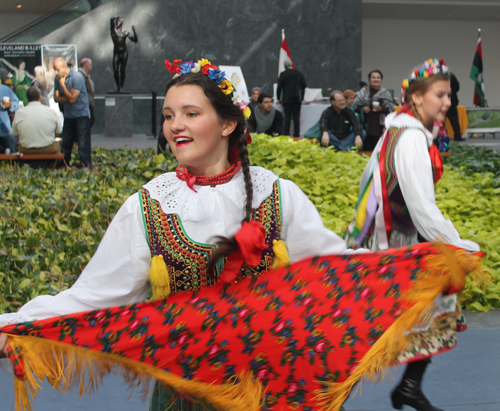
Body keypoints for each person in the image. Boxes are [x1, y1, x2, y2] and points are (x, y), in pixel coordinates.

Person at [0, 58, 482, 411]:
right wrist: (15, 323)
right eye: (168, 115)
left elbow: (336, 267)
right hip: (183, 396)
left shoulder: (277, 194)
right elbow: (93, 295)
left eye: (190, 114)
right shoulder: (149, 204)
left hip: (270, 392)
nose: (174, 127)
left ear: (229, 122)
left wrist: (428, 261)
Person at [345, 58, 480, 411]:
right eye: (440, 94)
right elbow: (422, 206)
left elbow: (368, 181)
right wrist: (457, 244)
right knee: (370, 325)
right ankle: (336, 395)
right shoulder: (410, 139)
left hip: (387, 241)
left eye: (449, 95)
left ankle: (408, 386)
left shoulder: (399, 131)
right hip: (394, 245)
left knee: (434, 305)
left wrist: (358, 235)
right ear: (417, 98)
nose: (447, 102)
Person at [53, 57, 92, 168]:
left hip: (81, 115)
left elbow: (72, 99)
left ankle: (85, 165)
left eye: (57, 69)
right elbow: (56, 98)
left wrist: (63, 85)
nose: (56, 72)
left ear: (65, 68)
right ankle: (63, 164)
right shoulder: (57, 78)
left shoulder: (77, 77)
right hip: (69, 115)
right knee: (66, 143)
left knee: (83, 144)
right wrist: (67, 96)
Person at [11, 86, 62, 168]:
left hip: (26, 148)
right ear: (40, 97)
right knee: (57, 146)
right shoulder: (50, 112)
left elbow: (15, 133)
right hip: (47, 148)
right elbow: (58, 132)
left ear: (28, 98)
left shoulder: (19, 113)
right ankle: (51, 167)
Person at [353, 69, 395, 151]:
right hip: (366, 126)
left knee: (379, 151)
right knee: (366, 151)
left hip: (381, 127)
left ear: (381, 80)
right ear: (369, 79)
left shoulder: (385, 93)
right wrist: (363, 109)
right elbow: (355, 106)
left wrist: (381, 109)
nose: (376, 79)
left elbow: (391, 109)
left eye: (378, 78)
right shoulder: (363, 92)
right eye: (373, 77)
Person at [277, 59, 307, 137]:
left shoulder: (283, 74)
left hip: (286, 99)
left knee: (287, 117)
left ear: (285, 66)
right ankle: (296, 134)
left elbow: (279, 87)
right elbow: (304, 85)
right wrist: (302, 97)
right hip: (297, 99)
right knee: (296, 117)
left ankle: (286, 134)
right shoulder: (299, 74)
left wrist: (278, 98)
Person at [110, 16, 138, 92]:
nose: (118, 23)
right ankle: (118, 86)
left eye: (119, 22)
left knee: (122, 69)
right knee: (115, 70)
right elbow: (111, 21)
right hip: (116, 52)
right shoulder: (114, 31)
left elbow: (135, 40)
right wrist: (115, 18)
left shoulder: (125, 32)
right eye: (117, 22)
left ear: (122, 23)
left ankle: (121, 87)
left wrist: (134, 31)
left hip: (124, 52)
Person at [0, 83, 19, 153]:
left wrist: (11, 105)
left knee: (13, 153)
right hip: (5, 129)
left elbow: (16, 103)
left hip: (5, 130)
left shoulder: (5, 89)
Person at [446, 72, 463, 141]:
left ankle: (441, 135)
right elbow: (457, 87)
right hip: (452, 100)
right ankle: (457, 135)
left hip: (439, 102)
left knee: (440, 121)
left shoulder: (436, 76)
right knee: (454, 119)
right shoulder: (450, 75)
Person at [79, 58, 96, 128]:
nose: (91, 66)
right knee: (90, 119)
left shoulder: (85, 74)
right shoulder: (82, 75)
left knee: (91, 119)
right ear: (87, 65)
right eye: (90, 65)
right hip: (86, 100)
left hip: (88, 100)